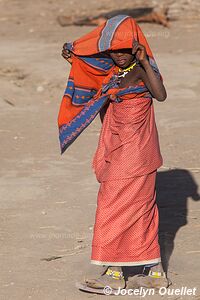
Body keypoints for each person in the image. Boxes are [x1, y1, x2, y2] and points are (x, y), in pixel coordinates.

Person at [59, 15, 170, 293]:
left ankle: (114, 273)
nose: (119, 55)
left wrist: (144, 61)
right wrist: (73, 58)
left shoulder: (142, 70)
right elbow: (91, 74)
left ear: (136, 48)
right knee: (139, 207)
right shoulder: (113, 71)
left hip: (135, 151)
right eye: (114, 50)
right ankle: (155, 274)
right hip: (122, 148)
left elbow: (161, 94)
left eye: (124, 50)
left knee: (113, 204)